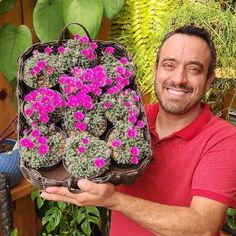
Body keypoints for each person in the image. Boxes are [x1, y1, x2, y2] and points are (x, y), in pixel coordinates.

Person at [41, 25, 236, 236]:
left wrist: (113, 200)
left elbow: (202, 226)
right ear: (155, 70)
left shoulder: (223, 139)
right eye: (169, 65)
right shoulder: (129, 118)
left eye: (194, 69)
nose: (179, 78)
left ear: (209, 80)